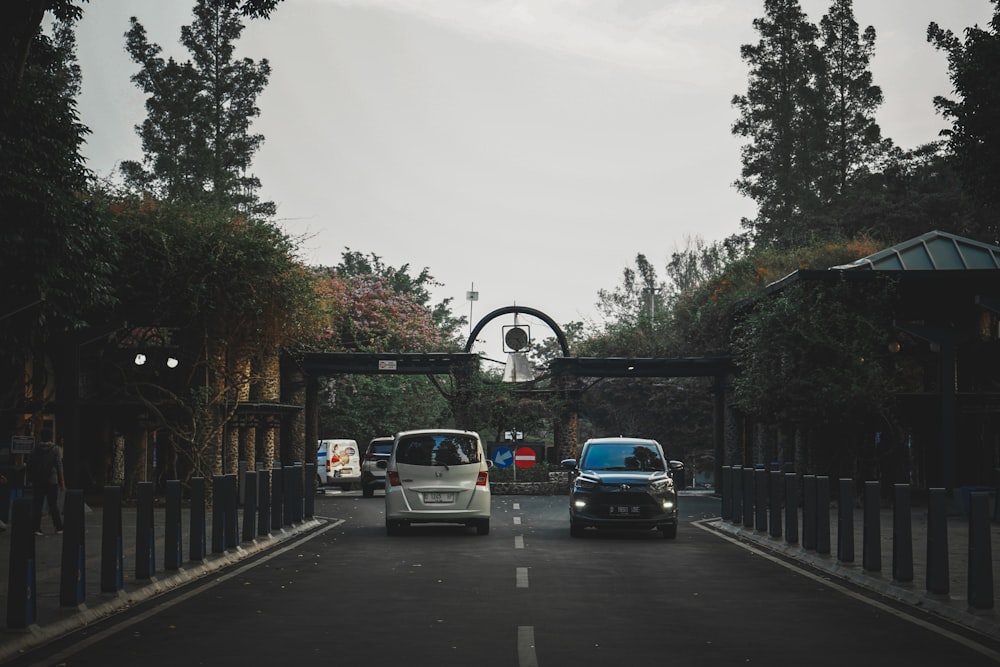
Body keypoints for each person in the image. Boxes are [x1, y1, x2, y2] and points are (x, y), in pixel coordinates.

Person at [29, 428, 64, 535]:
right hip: (51, 481)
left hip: (38, 481)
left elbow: (31, 464)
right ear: (50, 437)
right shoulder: (55, 449)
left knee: (37, 505)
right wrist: (62, 483)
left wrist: (31, 479)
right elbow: (59, 466)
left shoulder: (35, 448)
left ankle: (36, 528)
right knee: (53, 504)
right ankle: (58, 527)